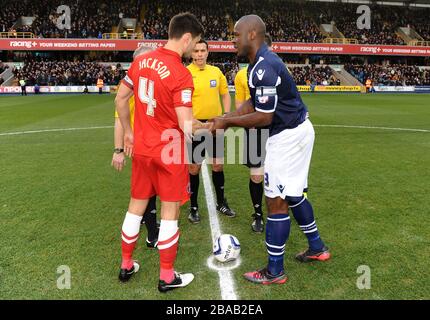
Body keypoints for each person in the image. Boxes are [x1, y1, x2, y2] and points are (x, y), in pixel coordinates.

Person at [210, 15, 330, 285]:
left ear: (252, 34)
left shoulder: (263, 66)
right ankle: (317, 247)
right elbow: (254, 102)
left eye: (236, 34)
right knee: (294, 194)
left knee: (275, 200)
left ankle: (275, 271)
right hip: (298, 130)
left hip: (286, 137)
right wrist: (226, 118)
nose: (232, 40)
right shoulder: (259, 64)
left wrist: (227, 122)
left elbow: (264, 117)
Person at [115, 12, 205, 292]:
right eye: (196, 44)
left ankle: (126, 264)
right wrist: (215, 125)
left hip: (142, 149)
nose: (194, 50)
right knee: (169, 211)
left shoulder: (141, 61)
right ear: (187, 38)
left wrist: (129, 132)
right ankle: (167, 276)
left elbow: (120, 99)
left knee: (136, 206)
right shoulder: (181, 73)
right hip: (169, 152)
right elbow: (187, 125)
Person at [111, 45, 159, 249]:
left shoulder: (151, 82)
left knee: (152, 188)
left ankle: (147, 222)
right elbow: (119, 121)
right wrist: (118, 150)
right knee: (147, 190)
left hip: (154, 143)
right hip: (139, 145)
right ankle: (152, 234)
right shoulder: (131, 88)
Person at [186, 39, 235, 223]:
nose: (199, 54)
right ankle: (193, 207)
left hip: (215, 126)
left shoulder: (216, 72)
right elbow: (181, 101)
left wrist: (225, 115)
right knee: (194, 167)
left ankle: (221, 202)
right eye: (196, 51)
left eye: (202, 50)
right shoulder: (185, 73)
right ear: (191, 53)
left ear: (208, 52)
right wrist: (191, 120)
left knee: (218, 165)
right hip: (195, 126)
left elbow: (225, 93)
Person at [234, 33, 272, 233]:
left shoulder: (276, 69)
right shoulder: (245, 73)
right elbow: (242, 103)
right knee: (257, 175)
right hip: (255, 128)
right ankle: (258, 214)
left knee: (275, 174)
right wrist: (246, 122)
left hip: (276, 130)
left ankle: (277, 211)